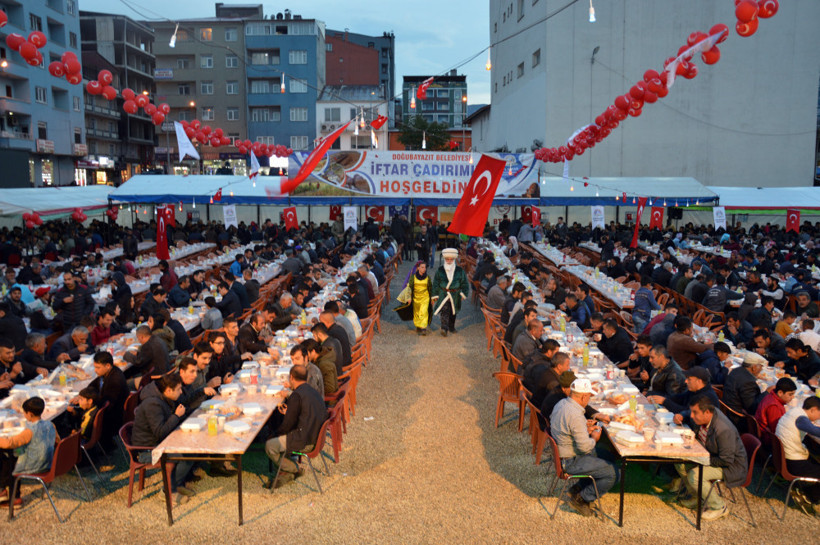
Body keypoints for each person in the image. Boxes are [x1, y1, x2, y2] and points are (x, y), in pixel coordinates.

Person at [550, 378, 618, 517]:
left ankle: (579, 487)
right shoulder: (575, 415)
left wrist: (582, 427)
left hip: (564, 452)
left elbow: (565, 426)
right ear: (583, 396)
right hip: (571, 460)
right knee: (614, 473)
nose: (588, 400)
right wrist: (594, 438)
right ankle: (582, 498)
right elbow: (585, 447)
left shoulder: (561, 404)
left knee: (609, 456)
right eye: (588, 396)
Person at [674, 396, 747, 521]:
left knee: (695, 475)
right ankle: (698, 497)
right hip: (711, 456)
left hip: (731, 467)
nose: (691, 416)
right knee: (679, 462)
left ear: (707, 412)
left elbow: (726, 460)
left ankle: (718, 506)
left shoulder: (723, 430)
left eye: (695, 413)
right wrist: (681, 415)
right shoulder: (706, 416)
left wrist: (701, 459)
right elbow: (688, 413)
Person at [131, 373, 195, 505]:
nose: (181, 392)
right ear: (168, 390)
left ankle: (176, 484)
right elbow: (160, 432)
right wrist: (177, 416)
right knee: (186, 454)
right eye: (178, 389)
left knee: (193, 449)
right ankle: (168, 490)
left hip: (160, 443)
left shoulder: (164, 399)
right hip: (147, 451)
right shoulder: (153, 405)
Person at [264, 365, 327, 489]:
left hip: (304, 440)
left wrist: (273, 435)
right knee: (278, 437)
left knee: (269, 446)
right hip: (315, 436)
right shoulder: (312, 391)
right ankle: (287, 471)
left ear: (291, 377)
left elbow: (287, 426)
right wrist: (291, 412)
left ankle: (293, 468)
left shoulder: (296, 396)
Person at [0, 397, 57, 507]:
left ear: (29, 414)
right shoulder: (51, 425)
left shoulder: (29, 431)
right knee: (13, 453)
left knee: (8, 457)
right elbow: (57, 440)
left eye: (24, 413)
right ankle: (3, 489)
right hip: (48, 460)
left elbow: (9, 443)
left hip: (36, 465)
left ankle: (14, 497)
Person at [775, 396, 820, 510]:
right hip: (793, 463)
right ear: (813, 409)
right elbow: (814, 430)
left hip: (781, 458)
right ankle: (808, 496)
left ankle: (805, 490)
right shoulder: (801, 419)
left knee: (813, 456)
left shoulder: (794, 412)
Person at [648, 367, 720, 425]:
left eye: (689, 379)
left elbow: (686, 412)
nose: (686, 381)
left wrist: (664, 401)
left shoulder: (706, 397)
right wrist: (657, 397)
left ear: (699, 381)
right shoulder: (694, 390)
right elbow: (679, 398)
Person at [86, 351, 128, 449]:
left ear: (108, 365)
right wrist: (86, 393)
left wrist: (90, 401)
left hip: (113, 418)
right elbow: (95, 383)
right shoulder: (110, 372)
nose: (95, 371)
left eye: (98, 368)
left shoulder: (115, 380)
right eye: (95, 367)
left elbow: (106, 404)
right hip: (112, 412)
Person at [722, 351, 767, 429]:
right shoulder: (748, 381)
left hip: (728, 411)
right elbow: (752, 407)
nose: (761, 369)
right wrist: (767, 393)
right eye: (761, 366)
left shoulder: (736, 370)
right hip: (738, 418)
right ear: (754, 367)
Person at [431, 248, 469, 337]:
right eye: (447, 259)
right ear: (444, 259)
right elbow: (436, 283)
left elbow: (465, 283)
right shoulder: (440, 270)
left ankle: (451, 327)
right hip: (443, 293)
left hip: (455, 294)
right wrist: (435, 295)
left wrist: (463, 293)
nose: (449, 261)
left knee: (453, 312)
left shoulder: (460, 270)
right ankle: (444, 328)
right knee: (444, 310)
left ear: (454, 259)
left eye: (451, 259)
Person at [405, 261, 432, 335]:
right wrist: (408, 297)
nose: (424, 269)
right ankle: (418, 326)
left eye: (425, 267)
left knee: (424, 312)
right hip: (416, 298)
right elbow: (409, 287)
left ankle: (423, 328)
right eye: (422, 267)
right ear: (418, 268)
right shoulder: (413, 277)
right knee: (417, 313)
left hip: (425, 297)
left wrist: (432, 298)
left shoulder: (428, 277)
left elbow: (430, 288)